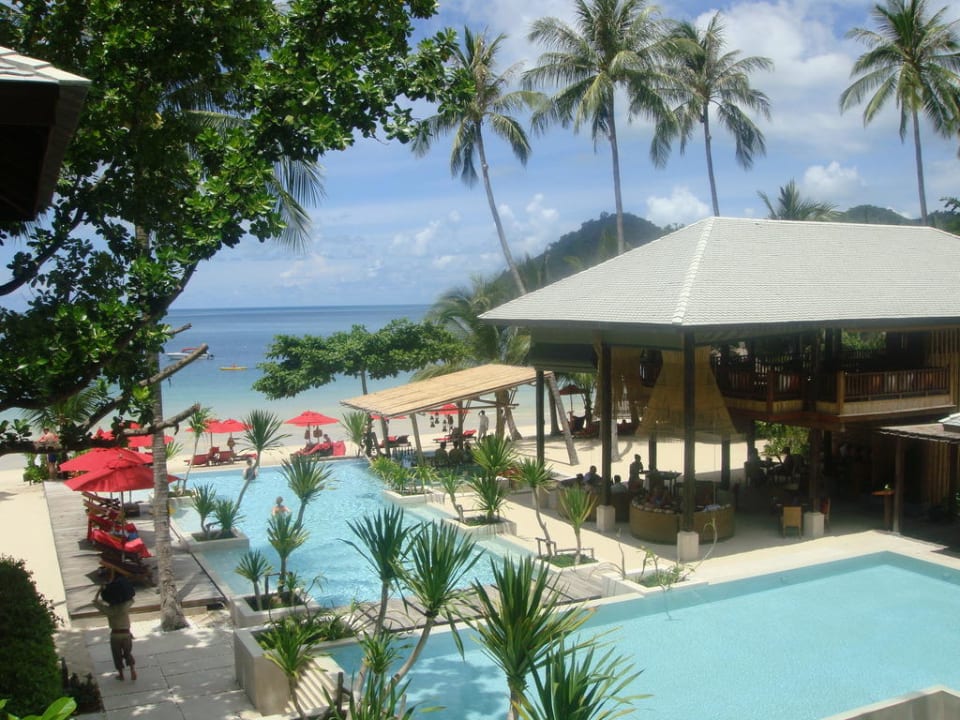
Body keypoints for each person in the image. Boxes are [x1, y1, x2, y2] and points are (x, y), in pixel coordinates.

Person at [92, 579, 137, 681]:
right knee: (127, 653)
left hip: (115, 635)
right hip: (126, 634)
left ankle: (121, 675)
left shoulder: (108, 610)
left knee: (117, 656)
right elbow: (132, 599)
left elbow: (95, 602)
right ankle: (133, 670)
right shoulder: (124, 607)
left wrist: (99, 590)